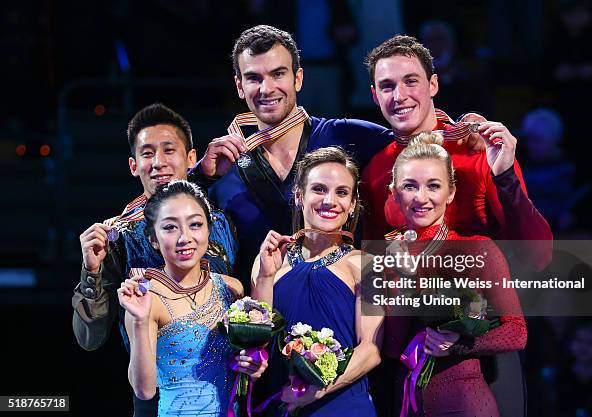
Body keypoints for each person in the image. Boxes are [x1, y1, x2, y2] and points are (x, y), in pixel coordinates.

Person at [198, 25, 395, 288]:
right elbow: (166, 223)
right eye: (254, 78)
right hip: (260, 320)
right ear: (239, 86)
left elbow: (419, 143)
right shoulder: (222, 169)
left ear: (298, 78)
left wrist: (465, 129)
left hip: (347, 315)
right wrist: (200, 178)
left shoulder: (346, 135)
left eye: (278, 74)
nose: (266, 88)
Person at [72, 103, 238, 416]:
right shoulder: (116, 239)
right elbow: (89, 339)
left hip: (229, 393)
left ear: (191, 158)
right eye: (147, 154)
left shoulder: (222, 224)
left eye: (168, 150)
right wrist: (90, 273)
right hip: (158, 398)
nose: (158, 163)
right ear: (134, 165)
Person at [361, 35, 552, 269]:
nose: (399, 96)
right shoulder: (374, 171)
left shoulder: (479, 148)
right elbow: (375, 269)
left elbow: (538, 258)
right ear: (374, 95)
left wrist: (505, 176)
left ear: (433, 85)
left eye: (410, 81)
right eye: (387, 86)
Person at [383, 133, 527, 417]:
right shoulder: (390, 256)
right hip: (410, 402)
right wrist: (402, 279)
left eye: (433, 186)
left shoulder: (477, 249)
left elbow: (517, 333)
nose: (421, 197)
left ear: (450, 192)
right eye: (410, 186)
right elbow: (393, 348)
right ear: (395, 193)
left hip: (464, 403)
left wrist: (460, 344)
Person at [117, 180, 267, 416]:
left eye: (195, 224)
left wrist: (253, 365)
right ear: (153, 239)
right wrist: (138, 320)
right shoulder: (146, 299)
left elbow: (245, 370)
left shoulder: (231, 289)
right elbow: (144, 391)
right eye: (169, 227)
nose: (184, 237)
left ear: (209, 229)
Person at [252, 147, 383, 416]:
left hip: (343, 405)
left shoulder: (367, 265)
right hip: (283, 403)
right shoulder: (269, 260)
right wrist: (266, 276)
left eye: (342, 192)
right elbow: (257, 343)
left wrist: (314, 392)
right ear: (299, 195)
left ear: (353, 203)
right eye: (319, 189)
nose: (330, 201)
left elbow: (371, 350)